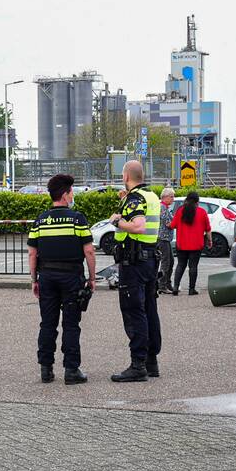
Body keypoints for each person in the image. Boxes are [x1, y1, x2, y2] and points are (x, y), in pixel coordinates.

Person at [28, 174, 97, 385]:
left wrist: (34, 280)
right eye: (72, 192)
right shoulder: (77, 219)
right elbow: (89, 251)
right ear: (65, 195)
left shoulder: (40, 220)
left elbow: (32, 253)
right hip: (71, 277)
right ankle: (71, 370)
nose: (73, 196)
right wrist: (92, 278)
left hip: (47, 277)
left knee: (47, 323)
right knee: (71, 324)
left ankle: (46, 370)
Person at [108, 161, 162, 382]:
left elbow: (138, 226)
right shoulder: (151, 196)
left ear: (126, 176)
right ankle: (151, 361)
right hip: (149, 260)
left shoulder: (135, 198)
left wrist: (118, 221)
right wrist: (125, 202)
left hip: (134, 262)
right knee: (149, 309)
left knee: (133, 310)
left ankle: (137, 364)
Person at [170, 191, 212, 296]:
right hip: (196, 245)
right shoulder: (202, 212)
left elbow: (173, 225)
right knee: (193, 267)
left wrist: (168, 224)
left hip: (181, 244)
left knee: (180, 265)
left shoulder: (180, 211)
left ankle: (175, 287)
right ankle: (191, 289)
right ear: (197, 201)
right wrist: (210, 241)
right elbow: (208, 229)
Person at [157, 187, 176, 293]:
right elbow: (168, 224)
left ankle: (167, 283)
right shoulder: (163, 208)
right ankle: (162, 285)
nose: (173, 199)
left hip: (166, 238)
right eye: (171, 196)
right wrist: (177, 223)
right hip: (163, 238)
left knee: (170, 261)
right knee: (166, 262)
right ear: (165, 197)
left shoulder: (165, 207)